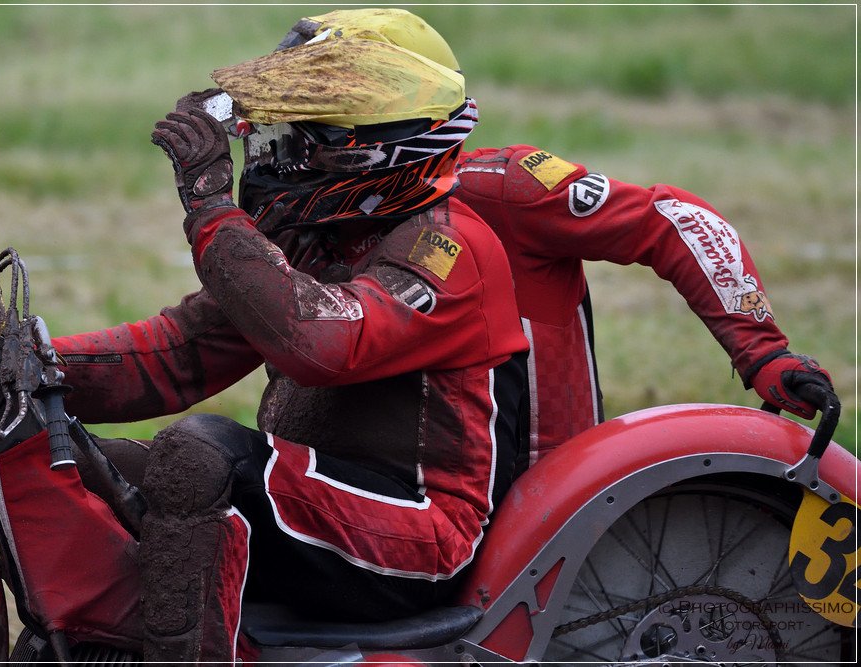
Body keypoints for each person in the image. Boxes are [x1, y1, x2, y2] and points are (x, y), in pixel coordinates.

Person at [52, 27, 528, 663]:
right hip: (329, 507)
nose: (277, 157)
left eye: (302, 140)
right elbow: (182, 354)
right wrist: (38, 367)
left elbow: (317, 343)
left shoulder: (447, 250)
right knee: (75, 462)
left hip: (426, 538)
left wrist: (211, 206)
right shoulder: (325, 234)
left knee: (198, 454)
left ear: (366, 154)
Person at [273, 9, 837, 468]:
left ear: (371, 136)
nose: (283, 157)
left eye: (306, 136)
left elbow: (672, 220)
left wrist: (764, 351)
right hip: (364, 494)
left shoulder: (505, 190)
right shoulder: (297, 223)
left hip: (535, 503)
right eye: (284, 133)